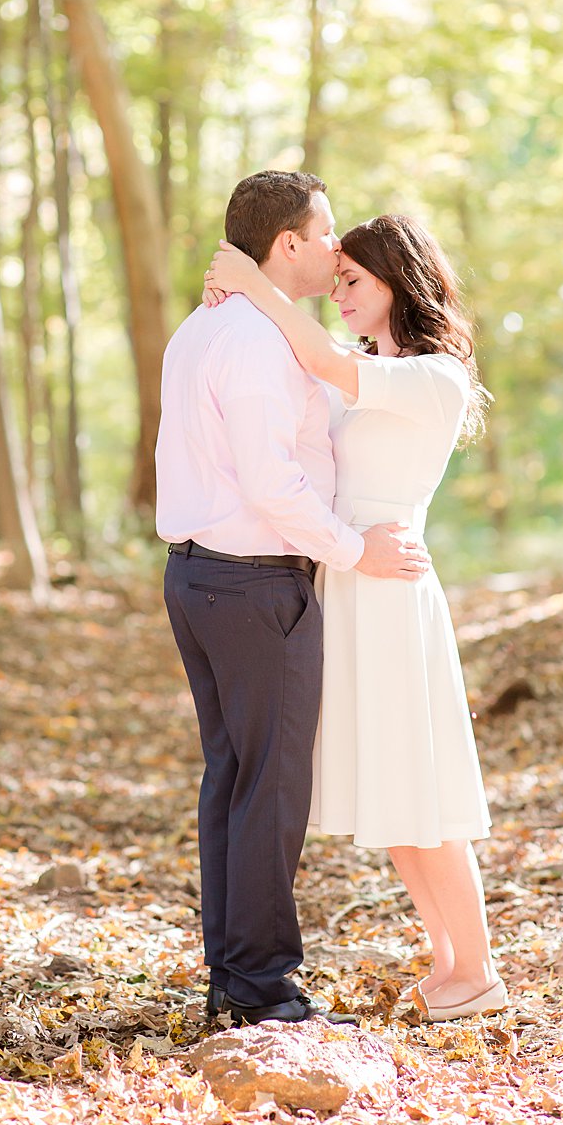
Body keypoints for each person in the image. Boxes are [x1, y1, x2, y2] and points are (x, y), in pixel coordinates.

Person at [204, 212, 507, 1023]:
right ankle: (448, 962)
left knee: (422, 785)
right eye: (335, 279)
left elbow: (320, 359)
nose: (338, 294)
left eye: (352, 281)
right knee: (391, 787)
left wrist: (251, 283)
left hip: (390, 594)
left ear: (397, 284)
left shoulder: (433, 374)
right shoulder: (372, 366)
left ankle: (475, 966)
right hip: (349, 583)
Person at [155, 172, 430, 1028]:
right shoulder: (252, 344)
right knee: (268, 789)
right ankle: (263, 988)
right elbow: (272, 484)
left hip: (203, 577)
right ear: (285, 247)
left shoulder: (205, 327)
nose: (336, 248)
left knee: (235, 781)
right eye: (324, 235)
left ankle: (236, 977)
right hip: (252, 582)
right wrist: (355, 554)